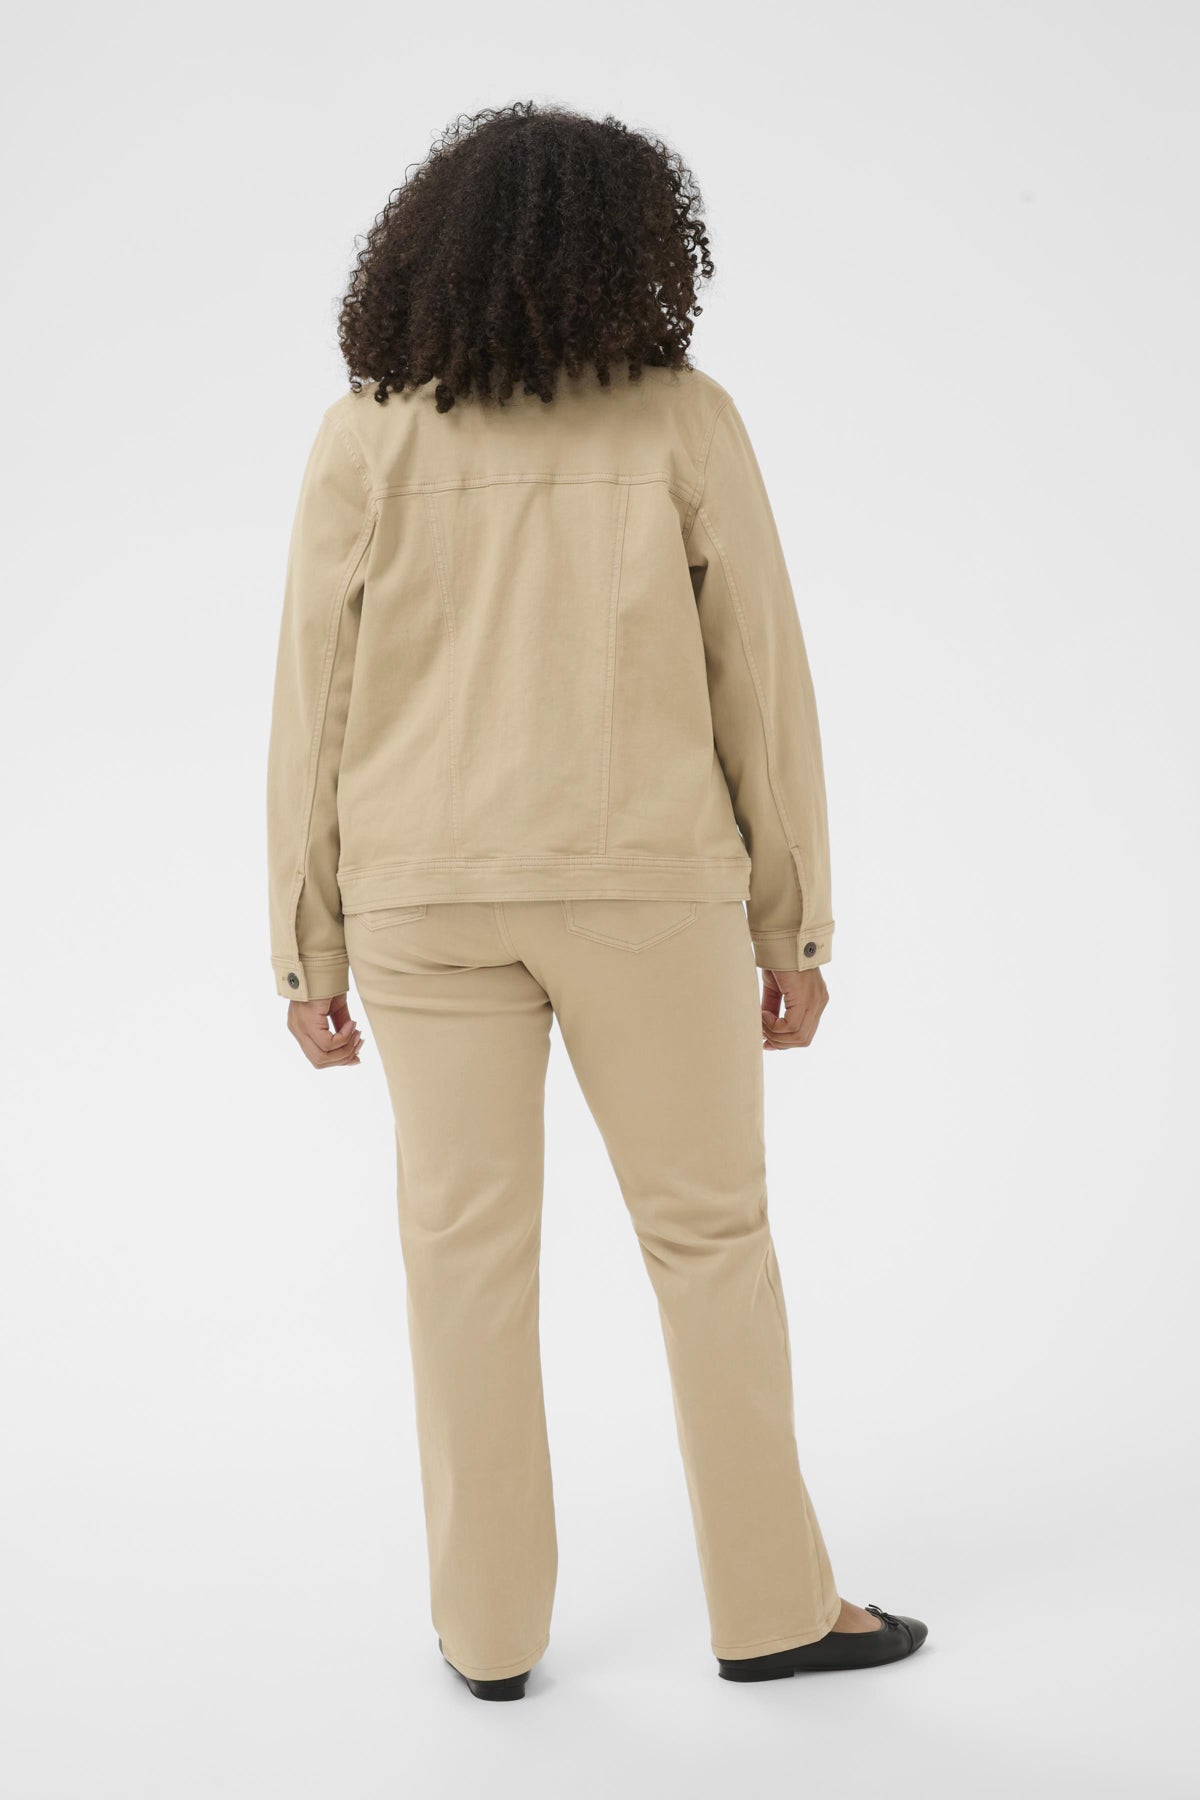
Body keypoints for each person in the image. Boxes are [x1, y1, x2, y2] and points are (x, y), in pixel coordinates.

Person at [266, 102, 926, 1700]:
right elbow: (760, 681)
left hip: (423, 901)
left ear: (428, 250)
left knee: (462, 1258)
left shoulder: (368, 435)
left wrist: (305, 946)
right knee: (709, 1240)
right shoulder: (684, 421)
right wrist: (794, 924)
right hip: (648, 888)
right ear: (633, 248)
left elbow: (311, 700)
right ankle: (774, 1611)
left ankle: (488, 1638)